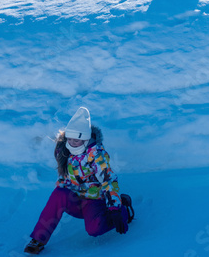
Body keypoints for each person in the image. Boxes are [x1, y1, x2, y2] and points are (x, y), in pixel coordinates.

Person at [24, 107, 134, 255]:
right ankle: (38, 240)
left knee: (94, 230)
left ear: (86, 138)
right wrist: (62, 189)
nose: (73, 143)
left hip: (95, 200)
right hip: (76, 198)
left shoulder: (96, 155)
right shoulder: (64, 150)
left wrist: (115, 208)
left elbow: (108, 181)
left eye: (77, 140)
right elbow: (64, 177)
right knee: (58, 194)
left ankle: (123, 208)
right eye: (70, 139)